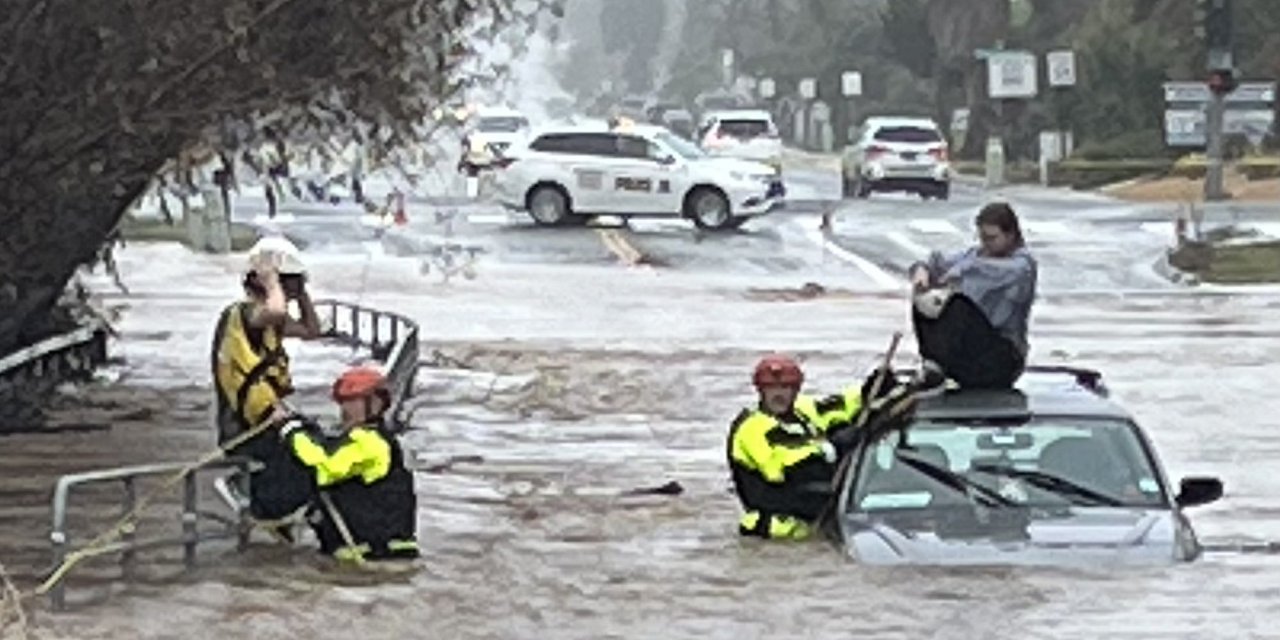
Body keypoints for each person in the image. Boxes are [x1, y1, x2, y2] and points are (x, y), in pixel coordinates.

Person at [726, 354, 914, 541]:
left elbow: (839, 406)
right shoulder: (751, 428)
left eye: (785, 387)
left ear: (796, 390)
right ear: (760, 391)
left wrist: (868, 390)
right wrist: (833, 447)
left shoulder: (803, 411)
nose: (778, 394)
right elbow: (784, 465)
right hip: (773, 535)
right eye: (771, 388)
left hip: (814, 528)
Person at [211, 235, 322, 530]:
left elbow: (311, 330)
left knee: (313, 443)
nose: (288, 292)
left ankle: (280, 512)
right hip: (243, 427)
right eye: (286, 284)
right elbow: (276, 311)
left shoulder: (272, 323)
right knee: (291, 453)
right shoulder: (245, 313)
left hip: (266, 417)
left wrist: (302, 294)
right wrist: (272, 281)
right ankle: (253, 499)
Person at [281, 366, 419, 562]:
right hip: (373, 557)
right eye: (343, 402)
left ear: (376, 404)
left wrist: (292, 433)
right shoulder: (367, 440)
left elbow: (324, 469)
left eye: (354, 401)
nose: (345, 410)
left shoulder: (370, 443)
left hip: (374, 560)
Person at [907, 202, 1038, 389]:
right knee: (924, 299)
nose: (986, 244)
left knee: (957, 305)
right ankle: (933, 365)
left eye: (992, 238)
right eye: (982, 238)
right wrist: (922, 270)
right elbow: (938, 262)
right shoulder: (975, 254)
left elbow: (981, 271)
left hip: (1002, 356)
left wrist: (956, 274)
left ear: (1011, 235)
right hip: (969, 353)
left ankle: (938, 366)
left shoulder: (1022, 266)